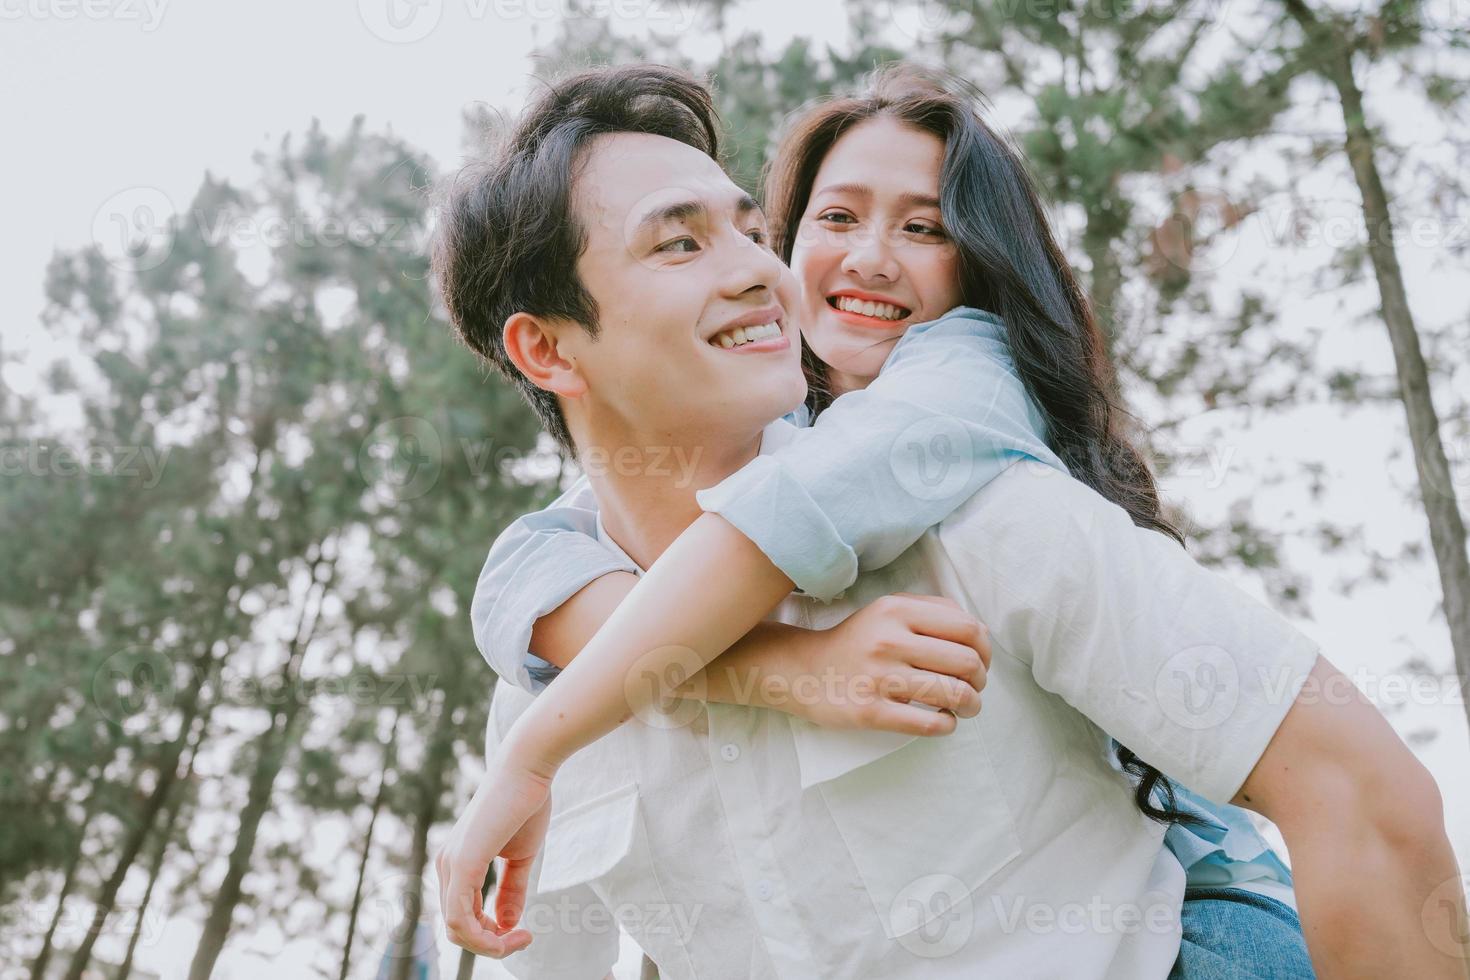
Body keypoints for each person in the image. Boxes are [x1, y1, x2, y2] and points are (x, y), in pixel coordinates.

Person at [430, 64, 1467, 978]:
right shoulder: (540, 668)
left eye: (752, 228)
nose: (762, 268)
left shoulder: (972, 505)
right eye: (680, 243)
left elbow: (1365, 799)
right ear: (549, 350)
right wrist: (779, 667)